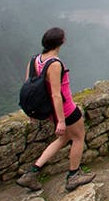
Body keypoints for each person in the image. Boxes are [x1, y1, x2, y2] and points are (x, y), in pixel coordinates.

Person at [17, 27, 95, 191]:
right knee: (78, 138)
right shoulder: (55, 64)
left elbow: (28, 87)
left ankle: (32, 172)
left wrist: (30, 111)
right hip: (65, 110)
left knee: (63, 139)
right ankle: (73, 176)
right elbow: (56, 94)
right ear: (61, 42)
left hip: (49, 111)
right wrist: (61, 120)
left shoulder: (34, 60)